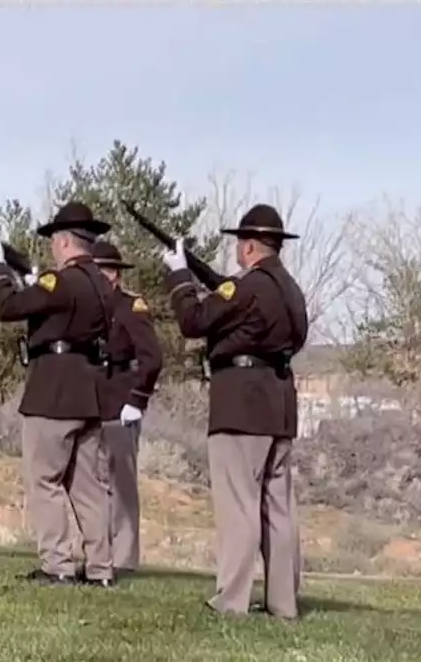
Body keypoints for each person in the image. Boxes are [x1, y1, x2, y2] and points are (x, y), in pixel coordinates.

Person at [160, 203, 308, 619]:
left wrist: (177, 273)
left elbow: (193, 319)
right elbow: (239, 304)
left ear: (247, 247)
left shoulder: (248, 287)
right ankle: (283, 602)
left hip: (241, 404)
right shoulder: (290, 290)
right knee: (278, 510)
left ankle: (232, 601)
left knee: (239, 506)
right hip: (278, 404)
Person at [0, 201, 116, 587]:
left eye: (55, 240)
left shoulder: (61, 282)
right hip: (88, 391)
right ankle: (101, 568)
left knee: (45, 481)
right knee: (88, 486)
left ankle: (58, 564)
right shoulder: (102, 285)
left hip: (53, 391)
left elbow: (9, 307)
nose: (52, 247)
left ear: (64, 241)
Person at [91, 240, 163, 578]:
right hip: (91, 403)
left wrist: (137, 399)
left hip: (121, 401)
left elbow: (152, 357)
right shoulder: (88, 307)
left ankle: (124, 557)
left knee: (121, 483)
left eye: (102, 271)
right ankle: (98, 552)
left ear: (115, 274)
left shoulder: (131, 306)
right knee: (93, 483)